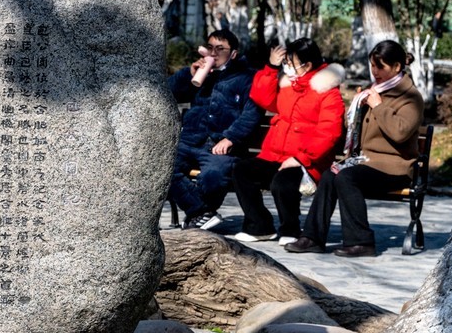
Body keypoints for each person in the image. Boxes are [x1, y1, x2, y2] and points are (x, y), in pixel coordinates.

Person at [283, 39, 424, 257]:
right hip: (366, 162)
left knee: (346, 177)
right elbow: (354, 130)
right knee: (331, 174)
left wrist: (378, 106)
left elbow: (400, 133)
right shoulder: (373, 91)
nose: (375, 71)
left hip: (394, 168)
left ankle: (362, 241)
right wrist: (356, 108)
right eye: (372, 66)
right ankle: (312, 237)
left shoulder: (411, 97)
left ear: (397, 67)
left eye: (380, 66)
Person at [230, 37, 345, 244]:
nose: (288, 67)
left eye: (291, 63)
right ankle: (259, 225)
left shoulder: (328, 93)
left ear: (307, 65)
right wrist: (272, 67)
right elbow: (262, 98)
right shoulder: (289, 85)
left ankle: (290, 229)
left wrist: (301, 158)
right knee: (241, 170)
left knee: (282, 183)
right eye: (287, 63)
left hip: (308, 162)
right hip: (275, 155)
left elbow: (329, 133)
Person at [166, 29, 263, 230]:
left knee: (213, 176)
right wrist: (188, 74)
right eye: (209, 48)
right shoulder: (202, 73)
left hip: (220, 143)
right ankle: (201, 212)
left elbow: (252, 113)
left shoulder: (247, 77)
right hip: (191, 139)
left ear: (233, 54)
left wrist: (230, 138)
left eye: (220, 49)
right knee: (163, 167)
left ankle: (198, 214)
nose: (213, 53)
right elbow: (167, 92)